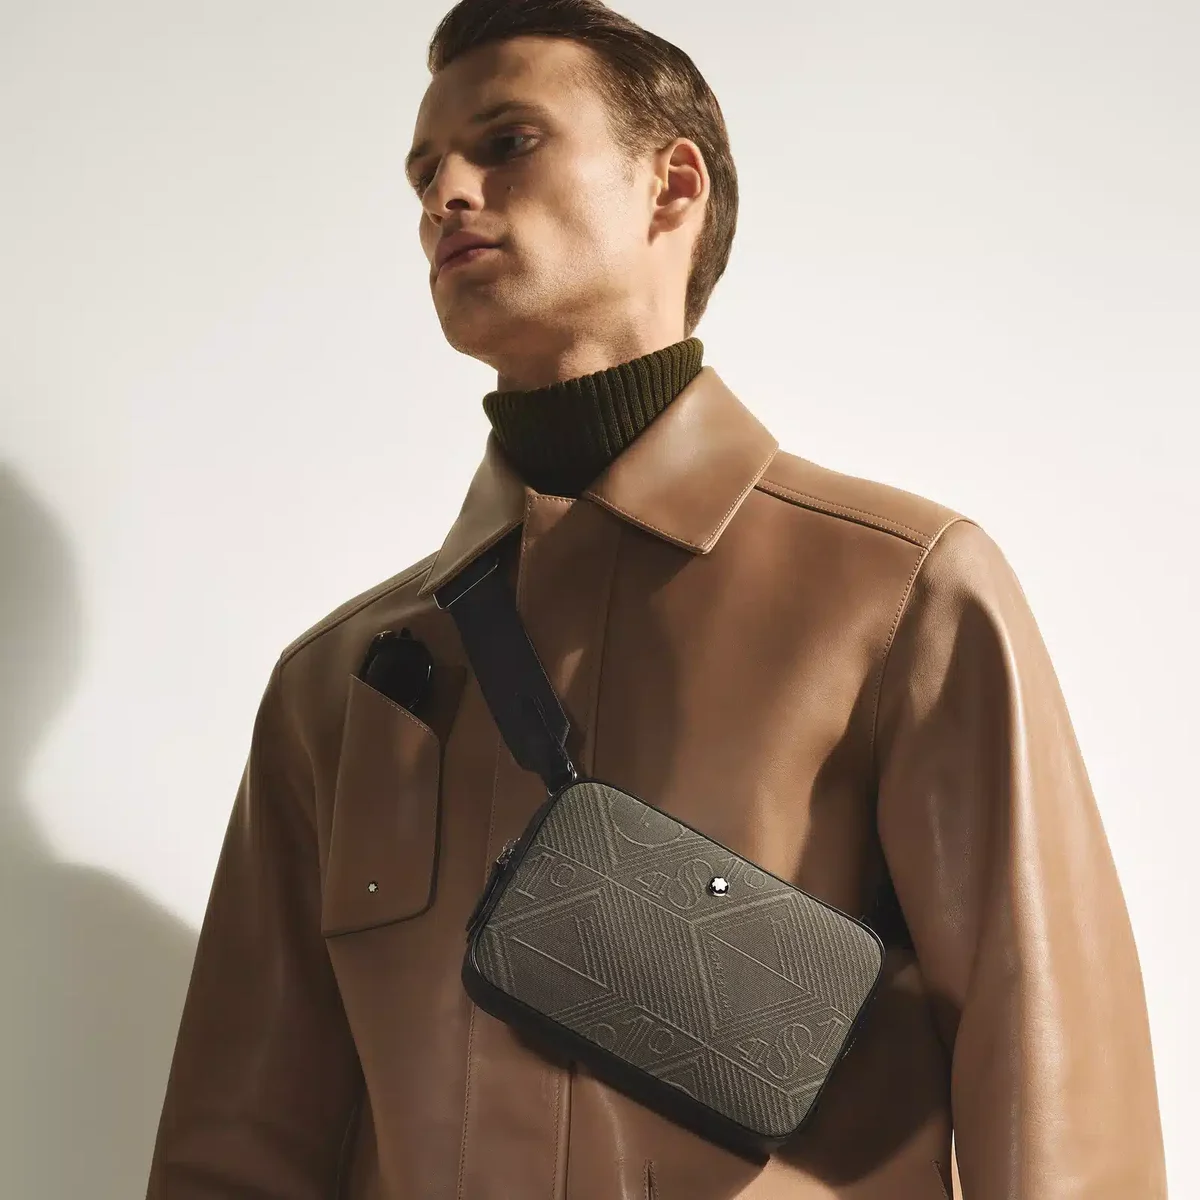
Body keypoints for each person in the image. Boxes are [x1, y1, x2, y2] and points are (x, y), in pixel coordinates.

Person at [146, 2, 1168, 1197]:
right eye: (424, 175)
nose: (445, 196)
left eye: (507, 143)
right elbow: (238, 1144)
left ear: (670, 187)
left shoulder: (900, 592)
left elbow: (1053, 1077)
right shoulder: (338, 685)